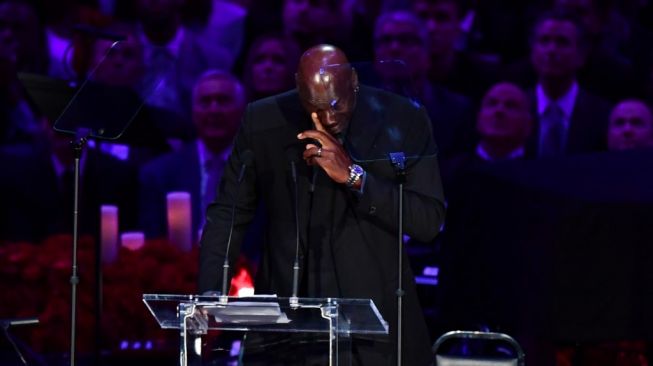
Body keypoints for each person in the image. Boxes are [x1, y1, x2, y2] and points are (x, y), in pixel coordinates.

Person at [198, 44, 445, 365]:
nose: (326, 119)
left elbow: (428, 221)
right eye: (313, 106)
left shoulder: (402, 118)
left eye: (336, 106)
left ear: (353, 81)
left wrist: (356, 177)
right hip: (288, 323)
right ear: (297, 85)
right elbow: (228, 213)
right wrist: (209, 293)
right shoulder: (263, 121)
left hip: (376, 325)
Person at [139, 70, 245, 240]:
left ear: (242, 110)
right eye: (205, 102)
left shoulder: (262, 171)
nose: (214, 110)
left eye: (223, 101)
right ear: (193, 111)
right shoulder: (159, 174)